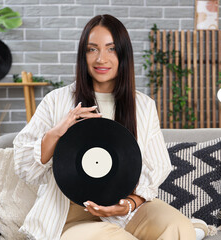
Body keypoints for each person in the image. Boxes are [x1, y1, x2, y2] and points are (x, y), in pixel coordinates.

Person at [13, 14, 196, 240]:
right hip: (71, 217)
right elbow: (23, 166)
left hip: (126, 212)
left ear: (123, 54)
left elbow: (158, 165)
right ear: (83, 55)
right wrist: (58, 131)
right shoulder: (56, 101)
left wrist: (129, 204)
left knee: (180, 228)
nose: (101, 59)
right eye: (92, 49)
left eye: (111, 49)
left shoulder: (143, 105)